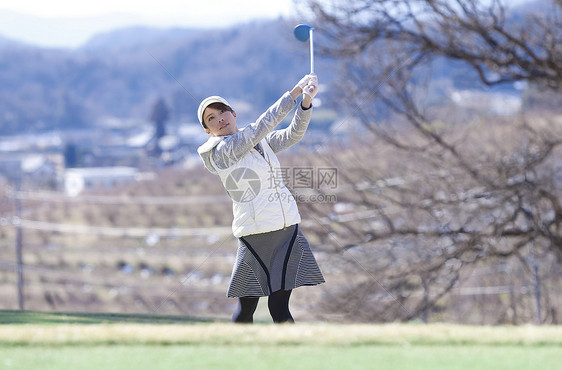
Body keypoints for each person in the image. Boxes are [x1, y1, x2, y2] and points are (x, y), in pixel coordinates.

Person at [197, 73, 325, 323]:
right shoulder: (222, 151)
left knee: (280, 307)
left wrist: (306, 103)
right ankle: (239, 356)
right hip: (256, 234)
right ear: (207, 130)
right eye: (211, 118)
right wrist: (294, 93)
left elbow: (292, 135)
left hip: (286, 227)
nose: (219, 118)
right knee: (247, 309)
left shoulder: (258, 141)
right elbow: (261, 127)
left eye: (222, 111)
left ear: (234, 114)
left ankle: (292, 357)